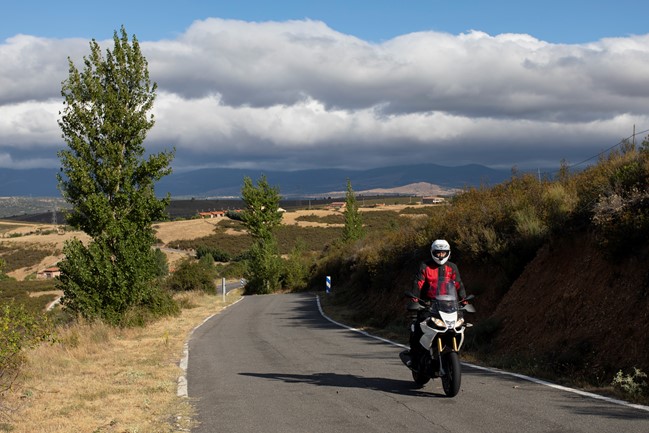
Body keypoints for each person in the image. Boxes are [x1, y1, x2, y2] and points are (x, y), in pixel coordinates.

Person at [406, 239, 467, 369]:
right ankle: (414, 357)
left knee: (459, 325)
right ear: (433, 252)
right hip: (428, 303)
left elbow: (458, 284)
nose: (440, 255)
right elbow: (418, 283)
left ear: (448, 253)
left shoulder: (452, 267)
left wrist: (464, 301)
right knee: (418, 327)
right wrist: (415, 300)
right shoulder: (425, 266)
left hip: (449, 305)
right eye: (438, 253)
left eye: (443, 253)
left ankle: (451, 356)